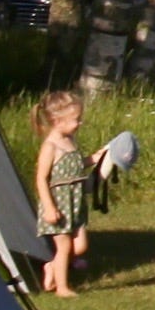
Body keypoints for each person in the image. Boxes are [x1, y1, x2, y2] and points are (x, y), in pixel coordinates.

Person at [32, 89, 101, 298]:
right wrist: (49, 207)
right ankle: (62, 288)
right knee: (63, 246)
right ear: (57, 120)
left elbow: (77, 165)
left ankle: (52, 267)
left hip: (75, 201)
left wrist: (94, 159)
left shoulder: (70, 140)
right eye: (75, 120)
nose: (79, 123)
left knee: (79, 246)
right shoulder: (50, 146)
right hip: (58, 202)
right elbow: (41, 179)